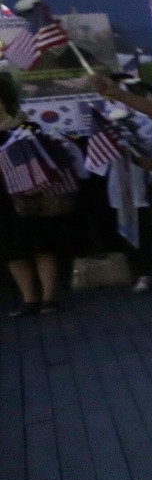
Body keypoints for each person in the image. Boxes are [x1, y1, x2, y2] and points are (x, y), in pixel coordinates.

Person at [0, 72, 81, 317]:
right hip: (2, 198)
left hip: (30, 193)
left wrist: (9, 126)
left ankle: (48, 298)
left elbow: (43, 155)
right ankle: (29, 300)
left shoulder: (25, 124)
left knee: (41, 245)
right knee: (11, 250)